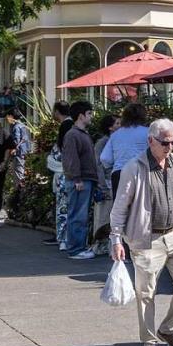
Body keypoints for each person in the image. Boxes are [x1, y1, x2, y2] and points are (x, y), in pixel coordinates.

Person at [110, 118, 173, 346]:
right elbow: (119, 208)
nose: (169, 146)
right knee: (146, 293)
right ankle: (149, 344)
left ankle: (168, 328)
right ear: (150, 141)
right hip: (147, 238)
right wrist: (116, 238)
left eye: (172, 141)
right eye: (164, 142)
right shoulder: (134, 168)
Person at [60, 103, 100, 257]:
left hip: (85, 179)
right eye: (89, 113)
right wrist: (77, 179)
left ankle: (79, 247)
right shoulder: (73, 135)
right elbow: (71, 159)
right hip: (80, 180)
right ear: (81, 115)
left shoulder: (82, 133)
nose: (91, 116)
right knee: (78, 215)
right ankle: (76, 249)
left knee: (80, 215)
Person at [100, 102, 152, 199]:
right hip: (141, 173)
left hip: (119, 174)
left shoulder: (115, 135)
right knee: (141, 208)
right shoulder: (148, 133)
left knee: (120, 211)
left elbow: (105, 158)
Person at [49, 101, 73, 249]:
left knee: (63, 206)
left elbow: (62, 149)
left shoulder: (66, 126)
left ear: (57, 111)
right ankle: (65, 237)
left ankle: (63, 237)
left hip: (63, 172)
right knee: (68, 206)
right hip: (67, 172)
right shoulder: (71, 125)